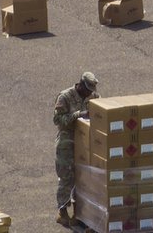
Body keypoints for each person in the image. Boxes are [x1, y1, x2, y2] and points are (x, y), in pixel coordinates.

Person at [54, 71, 100, 226]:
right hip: (67, 142)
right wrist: (78, 115)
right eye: (87, 90)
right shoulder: (65, 97)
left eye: (91, 91)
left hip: (84, 143)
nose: (89, 93)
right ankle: (62, 211)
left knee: (82, 178)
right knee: (66, 177)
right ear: (80, 85)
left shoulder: (93, 97)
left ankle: (79, 213)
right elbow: (57, 119)